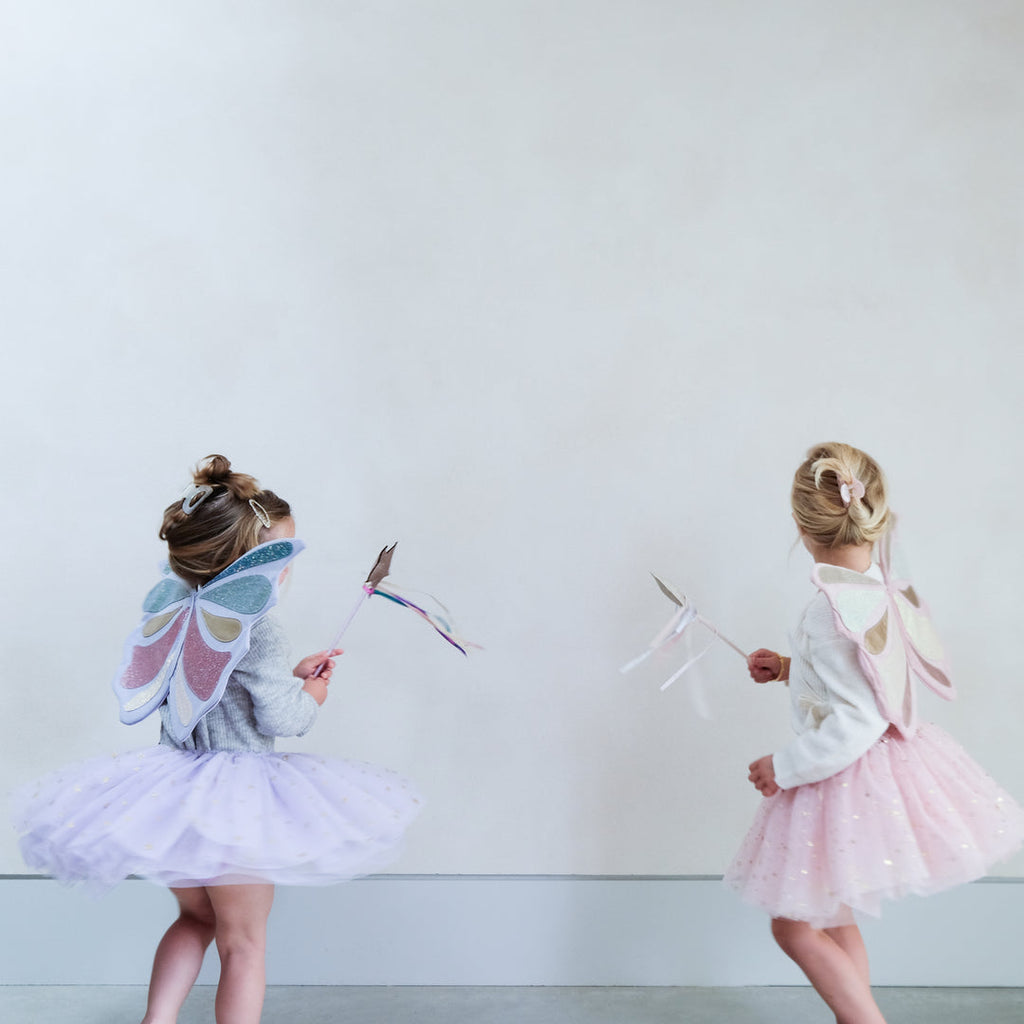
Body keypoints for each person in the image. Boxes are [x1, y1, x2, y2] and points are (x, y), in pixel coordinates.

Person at [13, 455, 422, 1024]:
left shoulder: (181, 611)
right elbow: (284, 719)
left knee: (196, 918)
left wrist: (291, 675)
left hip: (176, 793)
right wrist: (314, 693)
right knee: (243, 942)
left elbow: (216, 688)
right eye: (282, 557)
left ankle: (156, 1021)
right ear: (250, 561)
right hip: (235, 802)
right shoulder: (259, 627)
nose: (286, 571)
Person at [724, 442, 1024, 1024]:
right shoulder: (879, 586)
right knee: (834, 916)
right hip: (882, 765)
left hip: (843, 775)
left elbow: (857, 719)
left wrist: (782, 766)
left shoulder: (827, 611)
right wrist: (787, 668)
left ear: (801, 526)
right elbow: (865, 677)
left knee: (793, 927)